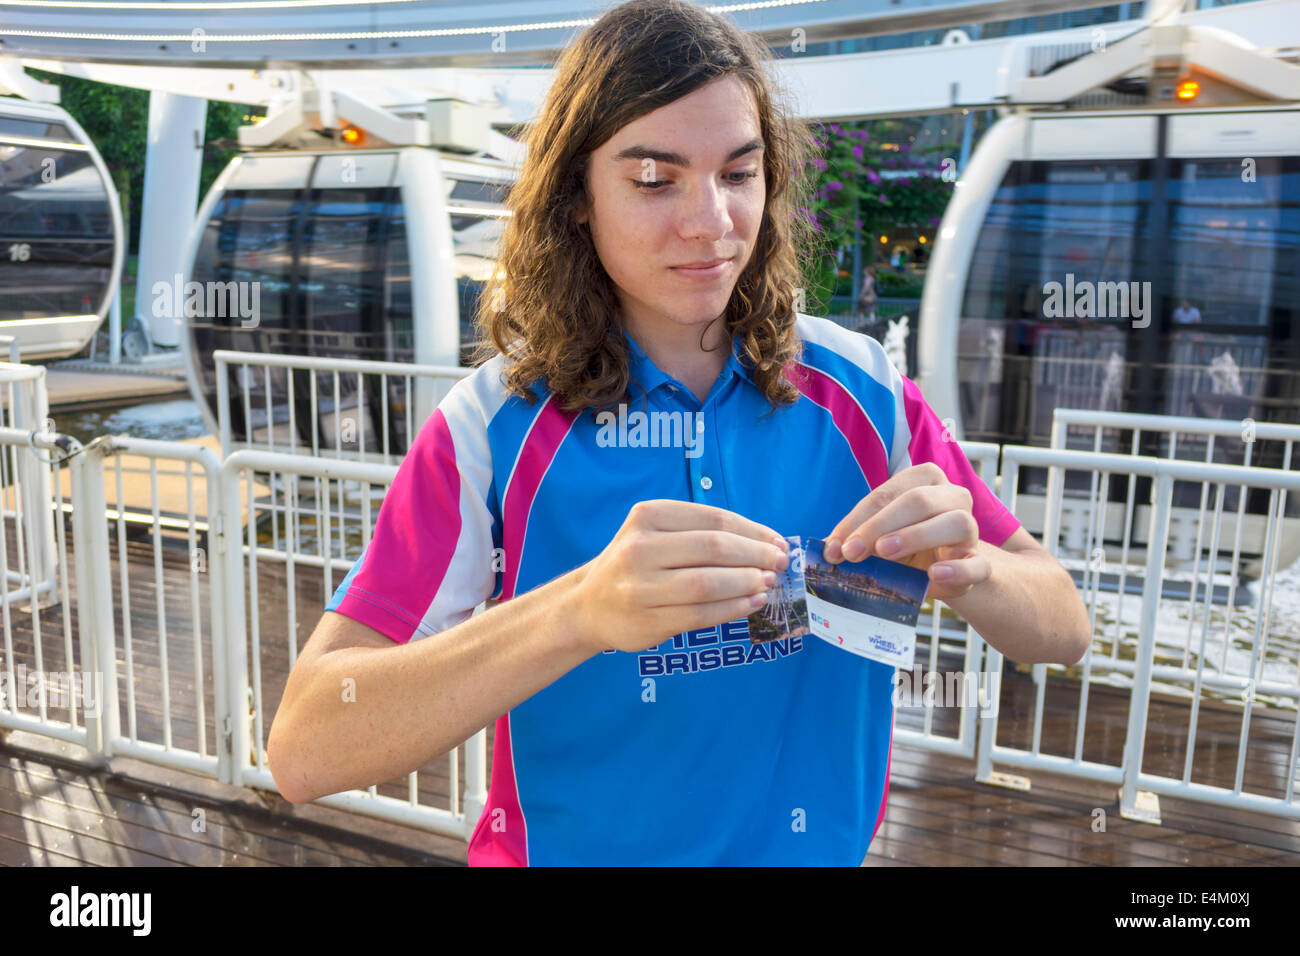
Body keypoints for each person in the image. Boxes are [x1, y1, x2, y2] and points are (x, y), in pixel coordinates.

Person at [267, 0, 1090, 866]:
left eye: (739, 174)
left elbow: (1062, 625)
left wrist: (974, 568)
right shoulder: (492, 428)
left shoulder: (866, 395)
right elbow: (307, 747)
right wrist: (576, 612)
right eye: (655, 180)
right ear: (576, 196)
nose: (711, 221)